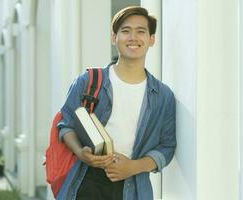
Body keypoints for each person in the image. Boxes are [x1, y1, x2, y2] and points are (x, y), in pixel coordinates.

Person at [56, 6, 176, 200]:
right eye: (125, 31)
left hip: (133, 187)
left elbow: (167, 146)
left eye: (141, 31)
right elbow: (66, 125)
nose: (133, 37)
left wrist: (133, 167)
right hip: (86, 181)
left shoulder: (163, 96)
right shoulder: (88, 81)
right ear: (114, 37)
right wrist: (81, 152)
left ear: (151, 39)